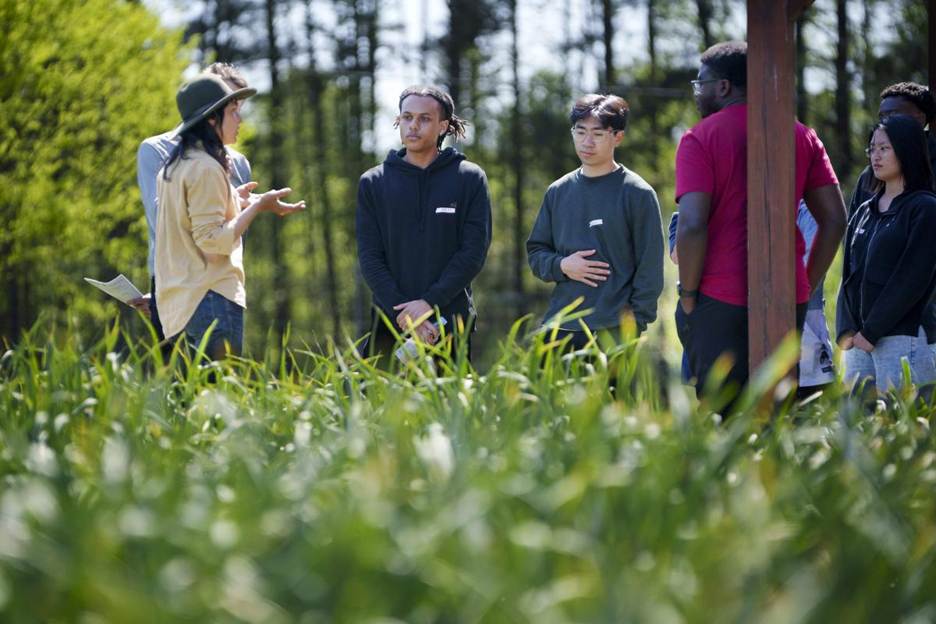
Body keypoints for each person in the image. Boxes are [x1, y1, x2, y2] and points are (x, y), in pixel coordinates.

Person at [673, 41, 846, 409]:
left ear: (723, 87)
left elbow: (690, 226)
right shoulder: (801, 134)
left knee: (724, 417)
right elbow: (834, 220)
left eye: (700, 83)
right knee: (778, 411)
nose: (697, 91)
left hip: (718, 301)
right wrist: (805, 283)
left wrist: (688, 296)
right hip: (788, 297)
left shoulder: (699, 138)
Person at [155, 73, 304, 359]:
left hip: (179, 306)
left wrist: (241, 199)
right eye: (233, 111)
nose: (241, 120)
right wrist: (257, 207)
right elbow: (213, 241)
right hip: (211, 299)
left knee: (191, 402)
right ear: (211, 119)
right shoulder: (207, 168)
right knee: (218, 401)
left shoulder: (175, 167)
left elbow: (191, 221)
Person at [356, 85, 492, 364]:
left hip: (450, 321)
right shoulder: (373, 182)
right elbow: (370, 257)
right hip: (389, 322)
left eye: (424, 119)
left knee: (447, 407)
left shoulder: (469, 178)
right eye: (407, 117)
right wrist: (407, 315)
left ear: (443, 126)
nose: (413, 126)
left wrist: (429, 303)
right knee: (378, 406)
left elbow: (473, 253)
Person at [527, 94, 664, 349]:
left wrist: (636, 323)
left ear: (618, 137)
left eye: (598, 134)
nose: (587, 142)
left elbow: (650, 267)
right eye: (580, 132)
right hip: (561, 326)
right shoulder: (557, 191)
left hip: (615, 330)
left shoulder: (637, 193)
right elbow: (536, 253)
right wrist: (562, 265)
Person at [131, 63, 254, 343]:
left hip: (219, 286)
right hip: (171, 282)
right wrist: (166, 292)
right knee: (176, 381)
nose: (238, 117)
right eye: (230, 107)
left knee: (214, 382)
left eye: (238, 107)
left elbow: (232, 238)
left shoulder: (238, 162)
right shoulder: (157, 150)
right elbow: (163, 222)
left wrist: (241, 205)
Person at [836, 115, 936, 394]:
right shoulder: (864, 210)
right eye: (872, 148)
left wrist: (872, 331)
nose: (875, 156)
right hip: (857, 342)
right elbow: (848, 275)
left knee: (900, 427)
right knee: (854, 430)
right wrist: (846, 332)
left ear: (907, 150)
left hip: (902, 337)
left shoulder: (925, 208)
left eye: (884, 148)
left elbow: (912, 278)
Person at [848, 82, 936, 356]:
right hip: (869, 323)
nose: (886, 122)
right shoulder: (871, 174)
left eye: (894, 115)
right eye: (882, 117)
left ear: (921, 119)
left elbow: (918, 268)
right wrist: (849, 326)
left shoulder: (925, 199)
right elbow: (853, 247)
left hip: (918, 318)